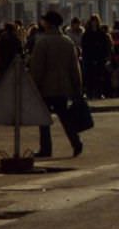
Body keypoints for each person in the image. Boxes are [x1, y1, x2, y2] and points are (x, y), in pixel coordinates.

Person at [29, 11, 83, 158]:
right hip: (64, 87)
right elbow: (74, 67)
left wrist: (33, 86)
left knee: (44, 120)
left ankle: (46, 149)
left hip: (46, 88)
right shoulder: (67, 42)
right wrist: (77, 87)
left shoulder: (42, 42)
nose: (42, 23)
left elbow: (37, 68)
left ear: (49, 23)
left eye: (44, 21)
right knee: (65, 118)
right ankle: (76, 142)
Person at [81, 15, 111, 99]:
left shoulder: (101, 33)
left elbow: (105, 46)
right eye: (92, 21)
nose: (94, 23)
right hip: (89, 58)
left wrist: (104, 56)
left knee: (100, 76)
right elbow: (85, 46)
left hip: (99, 58)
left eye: (95, 21)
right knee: (89, 76)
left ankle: (99, 92)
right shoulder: (87, 34)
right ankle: (89, 92)